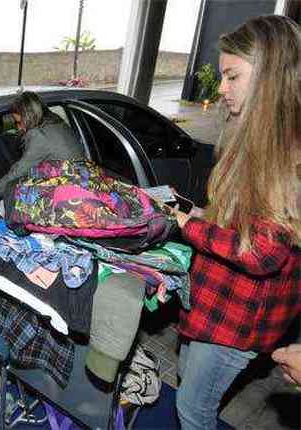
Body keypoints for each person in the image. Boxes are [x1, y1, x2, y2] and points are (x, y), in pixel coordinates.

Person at [170, 15, 301, 430]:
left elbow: (262, 252)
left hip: (240, 319)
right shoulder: (258, 140)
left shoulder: (289, 159)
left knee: (193, 410)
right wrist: (202, 214)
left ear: (271, 78)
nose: (221, 88)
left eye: (233, 77)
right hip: (215, 303)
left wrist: (185, 224)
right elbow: (250, 223)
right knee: (185, 380)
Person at [0, 91, 84, 201]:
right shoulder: (57, 123)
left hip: (67, 194)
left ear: (29, 117)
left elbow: (17, 174)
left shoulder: (39, 136)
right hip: (79, 183)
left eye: (19, 122)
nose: (18, 128)